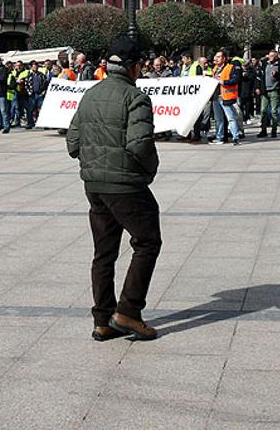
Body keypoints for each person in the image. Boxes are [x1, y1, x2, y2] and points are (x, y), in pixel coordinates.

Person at [66, 34, 161, 341]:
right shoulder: (135, 98)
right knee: (147, 242)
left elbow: (72, 143)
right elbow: (139, 144)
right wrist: (149, 170)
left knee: (104, 252)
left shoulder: (90, 94)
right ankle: (129, 312)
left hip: (93, 185)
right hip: (125, 185)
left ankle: (102, 319)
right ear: (134, 67)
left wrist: (93, 161)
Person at [211, 50, 244, 145]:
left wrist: (224, 82)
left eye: (218, 57)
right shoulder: (215, 68)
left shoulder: (231, 67)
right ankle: (220, 137)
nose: (215, 58)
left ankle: (236, 137)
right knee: (219, 119)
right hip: (216, 96)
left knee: (231, 117)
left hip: (226, 96)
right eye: (215, 56)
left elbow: (236, 79)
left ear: (224, 58)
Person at [257, 52, 280, 139]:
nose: (270, 57)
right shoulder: (264, 65)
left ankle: (274, 130)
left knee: (273, 111)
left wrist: (277, 74)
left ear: (276, 57)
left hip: (274, 90)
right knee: (263, 110)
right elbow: (259, 77)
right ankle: (263, 130)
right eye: (269, 56)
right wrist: (258, 87)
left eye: (272, 56)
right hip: (265, 91)